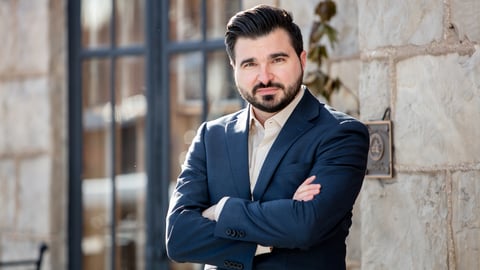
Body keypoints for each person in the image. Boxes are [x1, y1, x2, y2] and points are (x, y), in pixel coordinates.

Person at [166, 5, 369, 270]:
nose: (265, 77)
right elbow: (179, 238)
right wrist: (280, 220)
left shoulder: (341, 134)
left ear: (302, 60)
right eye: (250, 64)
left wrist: (221, 211)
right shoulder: (210, 137)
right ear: (234, 68)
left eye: (278, 60)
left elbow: (305, 226)